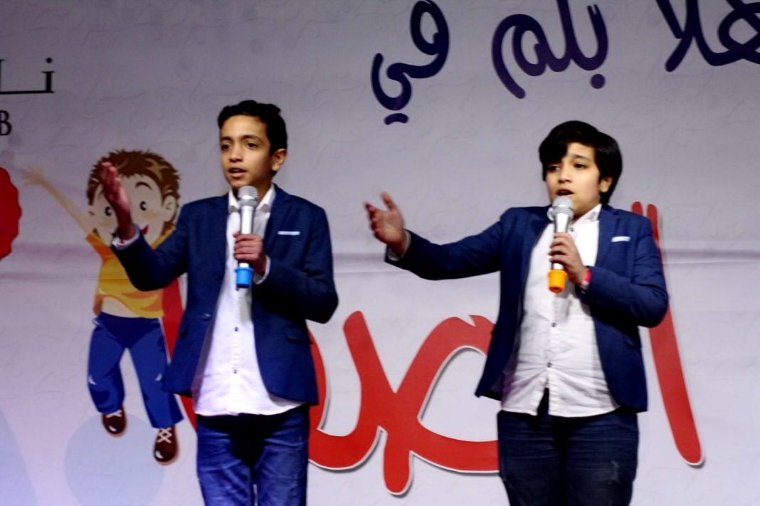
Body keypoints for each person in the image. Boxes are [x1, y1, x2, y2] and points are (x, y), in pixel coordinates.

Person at [365, 120, 668, 505]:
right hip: (526, 411)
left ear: (605, 181)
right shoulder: (519, 224)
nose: (563, 176)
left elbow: (651, 304)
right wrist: (402, 241)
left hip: (601, 413)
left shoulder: (631, 229)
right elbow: (448, 260)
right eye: (554, 167)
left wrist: (585, 275)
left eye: (578, 166)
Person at [100, 100, 339, 505]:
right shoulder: (199, 217)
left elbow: (323, 302)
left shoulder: (306, 217)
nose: (235, 155)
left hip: (279, 401)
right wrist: (125, 224)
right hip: (216, 398)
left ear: (277, 157)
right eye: (226, 145)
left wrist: (266, 266)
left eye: (249, 144)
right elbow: (151, 275)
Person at [22, 152, 183, 464]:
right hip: (109, 323)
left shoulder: (166, 243)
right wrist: (45, 183)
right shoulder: (108, 245)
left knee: (155, 381)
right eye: (111, 208)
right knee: (98, 374)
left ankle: (164, 426)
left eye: (143, 205)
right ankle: (111, 406)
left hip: (146, 326)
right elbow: (77, 216)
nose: (127, 214)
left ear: (166, 207)